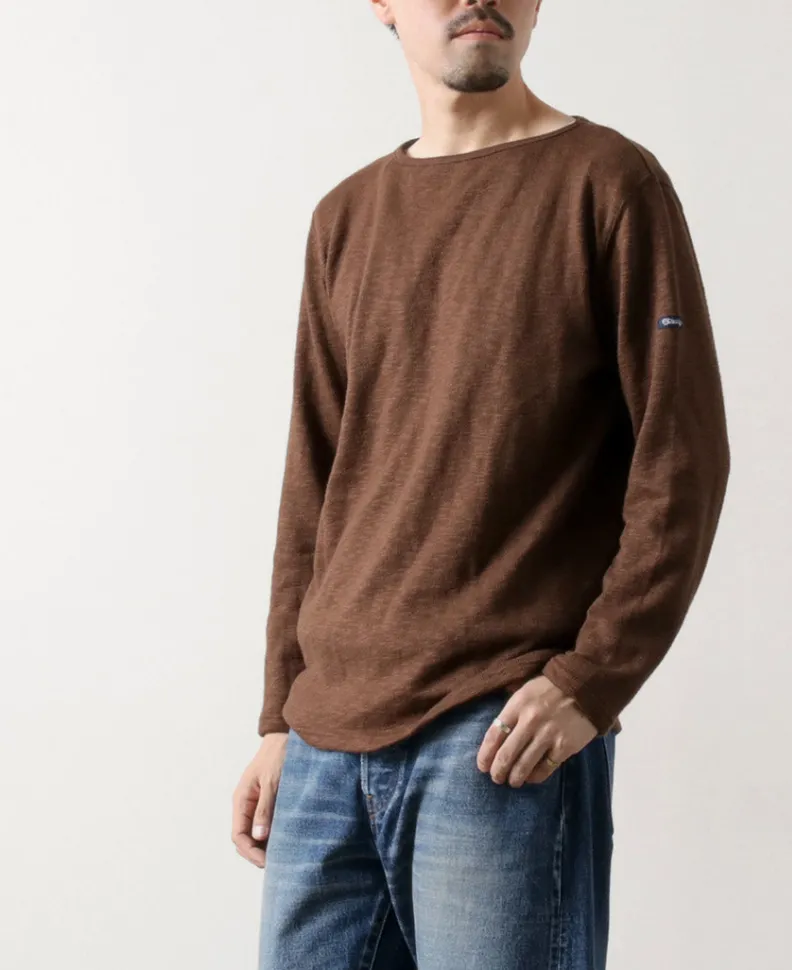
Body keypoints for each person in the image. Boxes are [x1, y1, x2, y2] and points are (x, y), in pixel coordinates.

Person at [232, 2, 731, 967]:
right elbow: (315, 482)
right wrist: (279, 716)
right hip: (325, 743)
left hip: (499, 736)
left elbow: (683, 459)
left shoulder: (610, 184)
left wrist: (591, 679)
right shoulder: (346, 216)